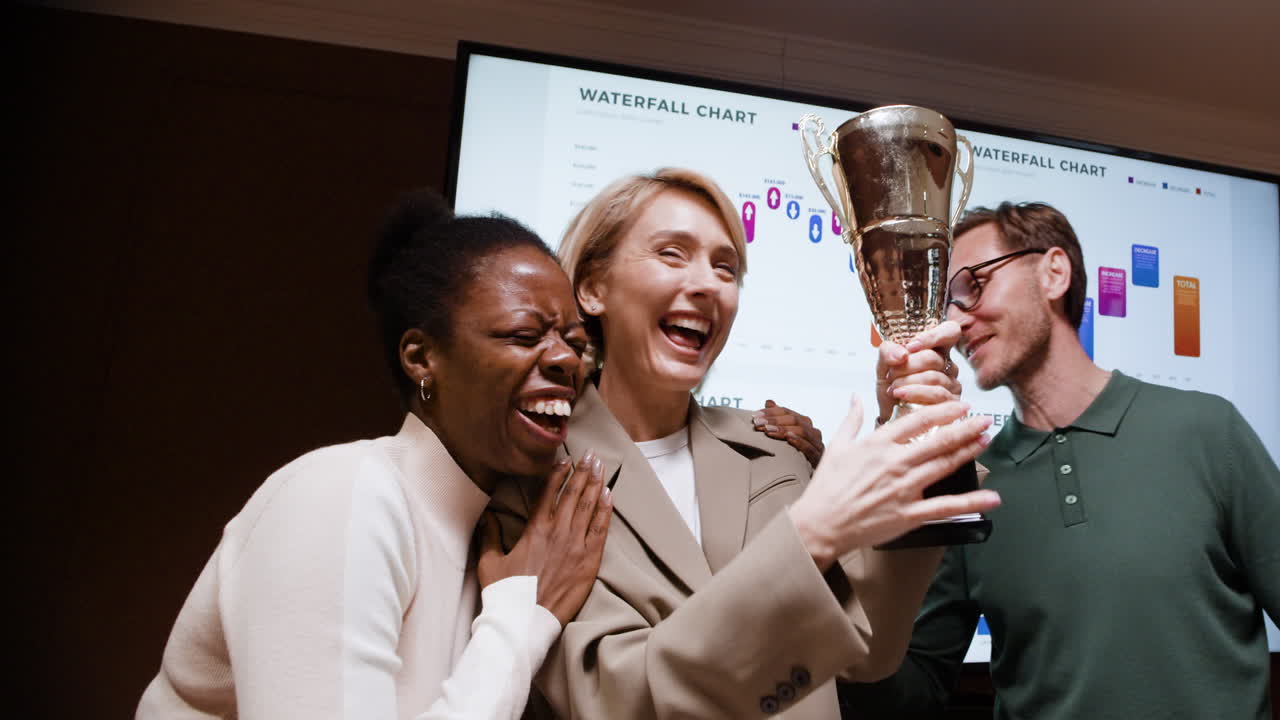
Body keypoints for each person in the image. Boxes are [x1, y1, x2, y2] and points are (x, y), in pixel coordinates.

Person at [487, 168, 1001, 719]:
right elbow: (613, 700)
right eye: (672, 253)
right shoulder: (529, 489)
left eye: (725, 266)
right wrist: (806, 542)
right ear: (592, 288)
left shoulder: (775, 451)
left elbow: (868, 653)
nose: (709, 283)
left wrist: (912, 433)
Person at [136, 189, 613, 719]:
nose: (567, 360)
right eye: (525, 334)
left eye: (576, 342)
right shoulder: (339, 494)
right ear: (421, 356)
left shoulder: (491, 535)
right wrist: (524, 618)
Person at [839, 201, 1280, 719]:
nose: (956, 323)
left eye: (973, 285)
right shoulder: (968, 485)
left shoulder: (1207, 430)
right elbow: (904, 690)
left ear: (1054, 273)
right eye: (948, 306)